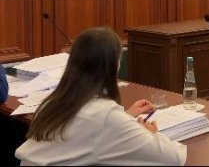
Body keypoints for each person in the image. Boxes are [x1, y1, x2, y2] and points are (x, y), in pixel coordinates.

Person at [16, 27, 186, 166]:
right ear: (114, 65)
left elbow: (84, 132)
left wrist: (125, 117)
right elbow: (173, 158)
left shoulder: (52, 103)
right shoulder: (104, 116)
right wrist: (150, 134)